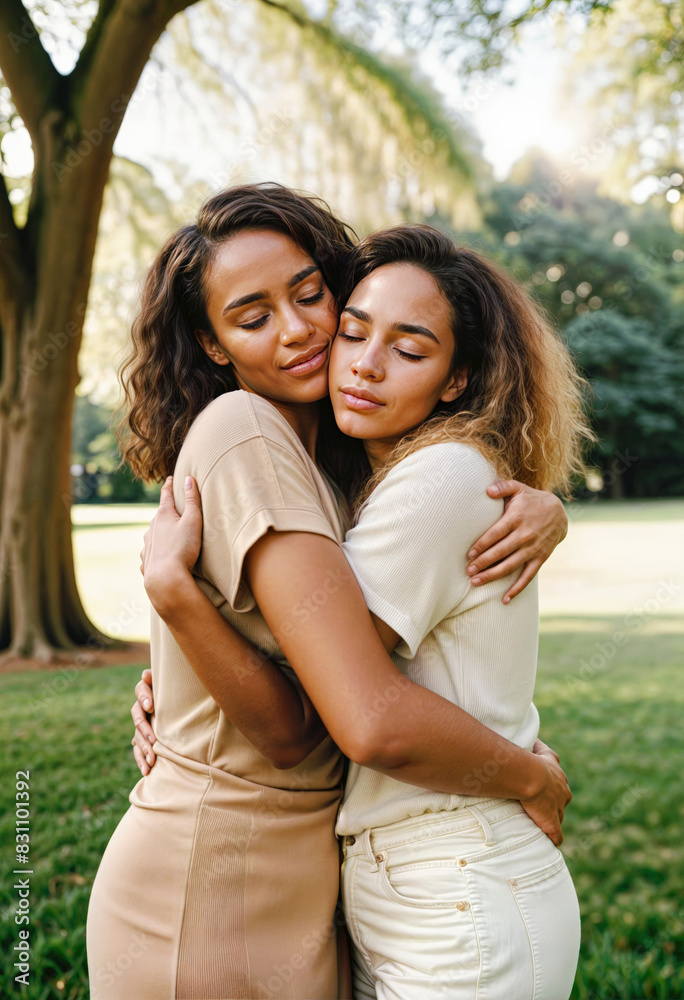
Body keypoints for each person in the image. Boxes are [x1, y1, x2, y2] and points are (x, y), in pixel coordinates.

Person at [88, 184, 573, 1000]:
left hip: (327, 874)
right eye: (253, 317)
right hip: (217, 869)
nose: (303, 329)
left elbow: (330, 646)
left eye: (313, 296)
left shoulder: (341, 469)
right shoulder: (247, 429)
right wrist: (170, 605)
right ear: (212, 344)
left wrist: (549, 509)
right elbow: (320, 719)